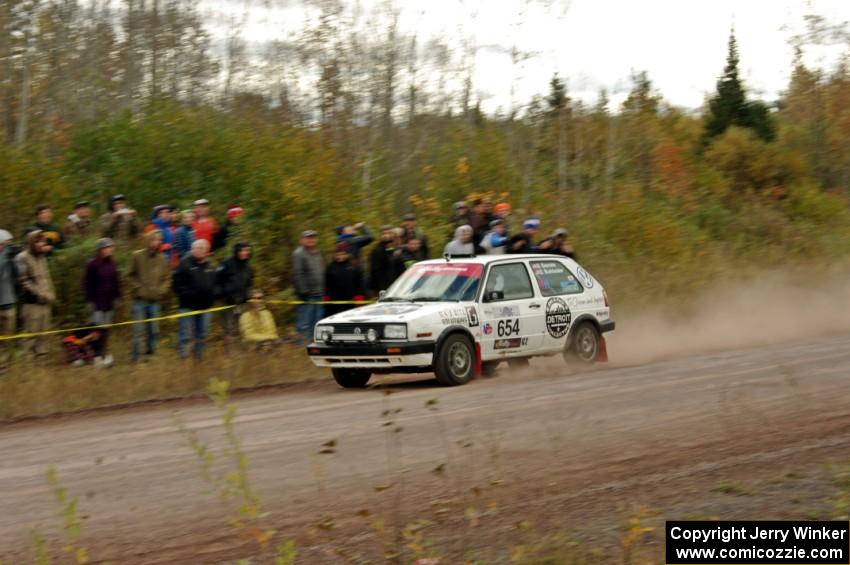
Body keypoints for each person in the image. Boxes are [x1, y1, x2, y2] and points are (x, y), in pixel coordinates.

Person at [128, 230, 171, 362]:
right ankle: (137, 357)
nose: (155, 243)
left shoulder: (162, 258)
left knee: (153, 330)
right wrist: (138, 287)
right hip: (139, 300)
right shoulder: (137, 256)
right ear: (148, 241)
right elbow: (129, 275)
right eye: (153, 240)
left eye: (158, 240)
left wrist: (161, 290)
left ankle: (150, 354)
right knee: (138, 330)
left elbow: (167, 278)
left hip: (155, 300)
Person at [15, 230, 55, 363]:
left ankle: (42, 362)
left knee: (43, 334)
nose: (41, 244)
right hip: (31, 303)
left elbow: (46, 277)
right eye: (38, 241)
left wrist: (50, 293)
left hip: (46, 302)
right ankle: (28, 364)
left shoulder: (42, 256)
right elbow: (23, 280)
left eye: (42, 241)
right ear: (31, 242)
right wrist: (39, 293)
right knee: (30, 334)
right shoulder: (22, 257)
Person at [172, 239, 217, 360]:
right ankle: (184, 358)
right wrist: (190, 295)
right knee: (185, 335)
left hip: (205, 307)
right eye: (198, 247)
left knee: (202, 334)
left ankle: (199, 358)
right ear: (192, 249)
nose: (201, 250)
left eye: (204, 248)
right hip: (188, 306)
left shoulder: (210, 266)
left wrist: (213, 295)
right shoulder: (184, 264)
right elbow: (176, 286)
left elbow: (215, 284)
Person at [83, 238, 120, 368]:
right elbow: (87, 284)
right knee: (96, 331)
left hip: (109, 302)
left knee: (105, 330)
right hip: (97, 302)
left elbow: (116, 282)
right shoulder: (92, 264)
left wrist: (116, 298)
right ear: (100, 250)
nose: (109, 250)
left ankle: (103, 353)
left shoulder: (112, 263)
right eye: (107, 247)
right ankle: (96, 355)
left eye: (111, 247)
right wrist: (90, 301)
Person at [291, 230, 324, 344]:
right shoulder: (298, 253)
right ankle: (303, 344)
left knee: (317, 321)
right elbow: (297, 273)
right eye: (308, 237)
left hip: (319, 293)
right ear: (302, 240)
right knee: (304, 321)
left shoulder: (317, 253)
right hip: (306, 294)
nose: (310, 240)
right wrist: (303, 291)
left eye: (312, 237)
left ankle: (314, 343)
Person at [216, 242, 253, 340]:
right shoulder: (226, 263)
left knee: (242, 327)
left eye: (247, 250)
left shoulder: (248, 266)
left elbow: (249, 284)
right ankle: (229, 353)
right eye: (243, 250)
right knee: (228, 328)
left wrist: (247, 295)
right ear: (237, 251)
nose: (245, 253)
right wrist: (223, 294)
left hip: (241, 302)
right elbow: (216, 280)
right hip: (227, 302)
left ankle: (240, 352)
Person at [325, 242, 365, 317]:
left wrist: (360, 295)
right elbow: (327, 283)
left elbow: (359, 283)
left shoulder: (354, 267)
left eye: (343, 254)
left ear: (347, 254)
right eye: (338, 254)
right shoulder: (330, 267)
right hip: (334, 302)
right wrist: (327, 296)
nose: (341, 256)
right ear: (335, 255)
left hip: (351, 300)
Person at [0, 230, 18, 374]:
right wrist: (5, 256)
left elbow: (16, 276)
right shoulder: (4, 258)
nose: (8, 246)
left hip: (9, 303)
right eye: (6, 244)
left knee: (8, 338)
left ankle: (4, 367)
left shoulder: (9, 259)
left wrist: (12, 259)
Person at [369, 226, 405, 295]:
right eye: (384, 234)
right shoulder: (377, 250)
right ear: (381, 236)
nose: (386, 236)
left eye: (389, 233)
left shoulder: (395, 250)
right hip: (383, 289)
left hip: (397, 287)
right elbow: (375, 272)